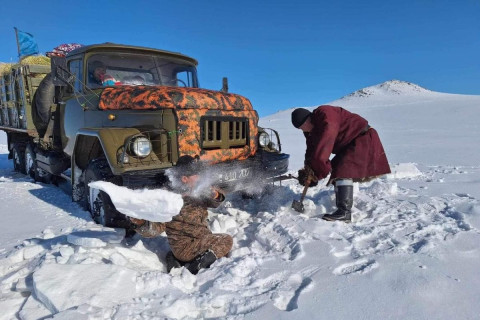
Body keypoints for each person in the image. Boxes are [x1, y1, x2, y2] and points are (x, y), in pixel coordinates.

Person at [130, 155, 233, 274]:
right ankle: (194, 268)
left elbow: (215, 203)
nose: (200, 178)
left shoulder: (197, 192)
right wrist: (140, 223)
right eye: (196, 175)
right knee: (226, 240)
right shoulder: (170, 200)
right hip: (184, 247)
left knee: (223, 247)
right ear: (185, 179)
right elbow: (155, 229)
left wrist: (215, 194)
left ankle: (181, 260)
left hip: (201, 240)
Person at [291, 106, 391, 223]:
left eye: (303, 127)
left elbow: (325, 142)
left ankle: (344, 212)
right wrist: (308, 169)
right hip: (349, 144)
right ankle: (342, 207)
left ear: (308, 119)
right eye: (300, 129)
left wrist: (317, 173)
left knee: (343, 169)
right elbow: (311, 150)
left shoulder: (325, 114)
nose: (303, 130)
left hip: (362, 138)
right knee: (337, 169)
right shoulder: (311, 130)